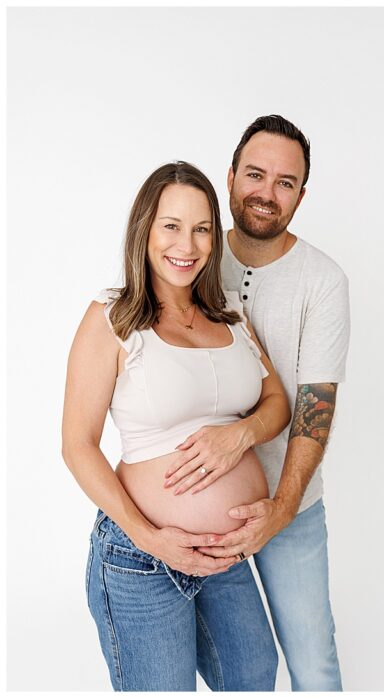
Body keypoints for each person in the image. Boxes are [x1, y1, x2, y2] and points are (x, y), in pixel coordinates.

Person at [62, 161, 291, 690]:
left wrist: (241, 433)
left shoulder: (228, 313)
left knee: (254, 676)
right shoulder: (112, 318)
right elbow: (77, 446)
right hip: (143, 556)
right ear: (145, 229)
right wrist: (149, 537)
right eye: (171, 226)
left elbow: (276, 401)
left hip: (224, 557)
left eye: (201, 228)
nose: (186, 245)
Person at [167, 115, 350, 690]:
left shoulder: (323, 281)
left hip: (288, 505)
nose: (266, 193)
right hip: (195, 507)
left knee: (313, 662)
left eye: (285, 182)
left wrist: (282, 508)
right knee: (237, 671)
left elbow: (314, 410)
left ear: (300, 195)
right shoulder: (189, 258)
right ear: (229, 177)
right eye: (255, 174)